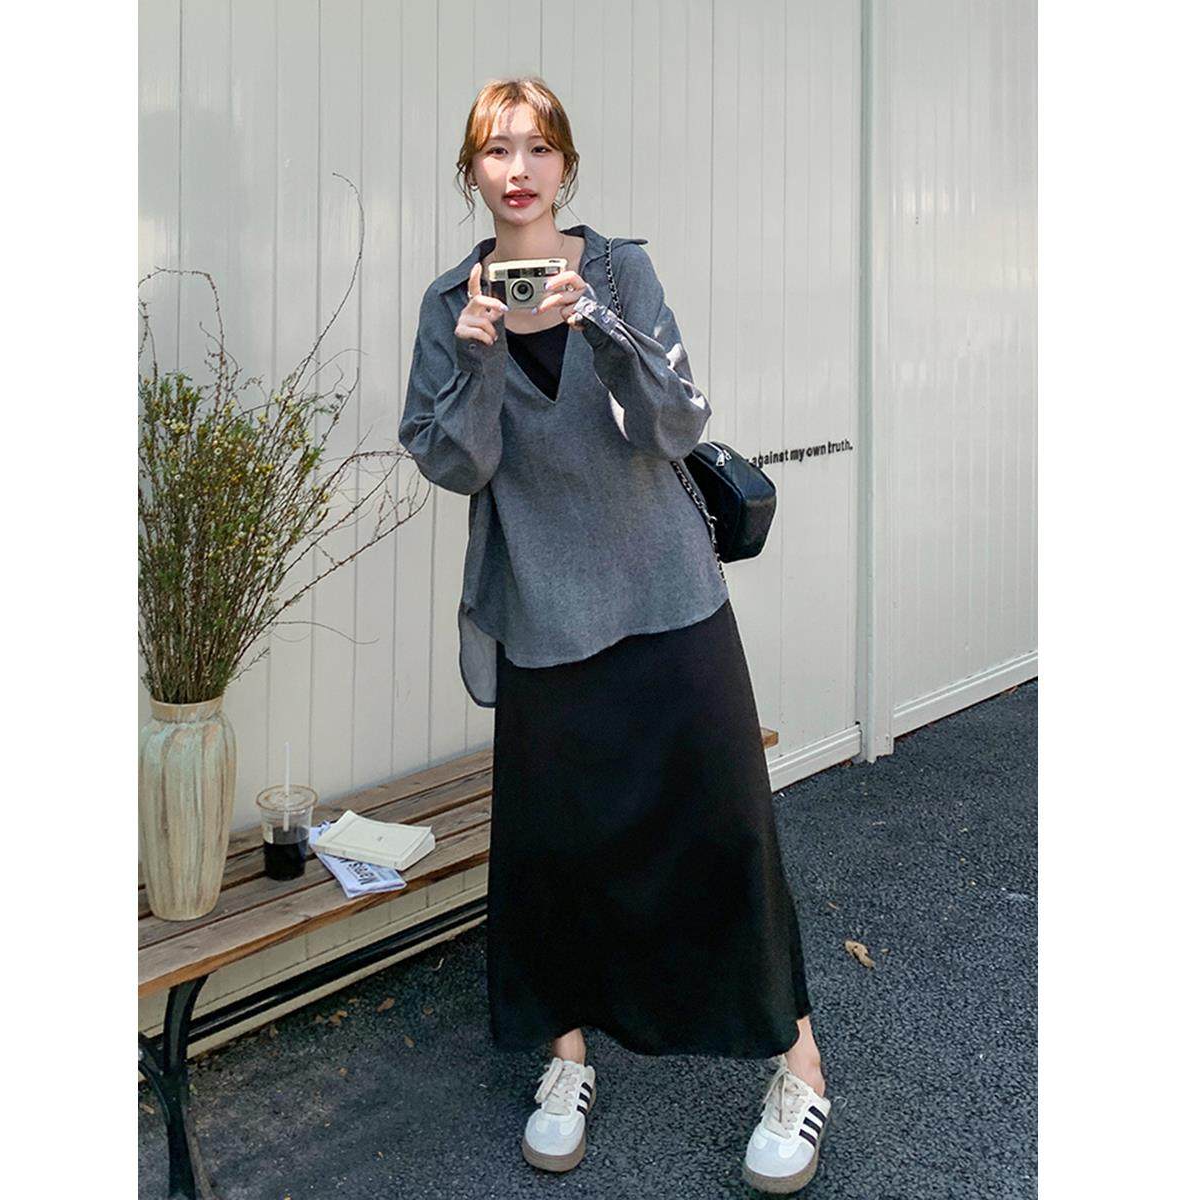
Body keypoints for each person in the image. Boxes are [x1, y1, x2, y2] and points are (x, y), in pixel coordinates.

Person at [398, 76, 832, 1194]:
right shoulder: (452, 303)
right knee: (552, 850)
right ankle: (567, 1059)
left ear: (567, 166)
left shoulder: (621, 272)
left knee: (725, 827)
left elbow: (678, 422)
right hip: (544, 610)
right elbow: (457, 465)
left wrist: (598, 320)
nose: (520, 169)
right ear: (471, 173)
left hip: (669, 595)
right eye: (497, 150)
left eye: (539, 147)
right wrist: (480, 355)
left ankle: (799, 1066)